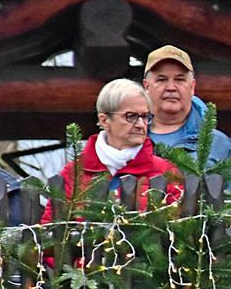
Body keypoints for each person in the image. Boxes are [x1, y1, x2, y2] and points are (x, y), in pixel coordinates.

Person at [41, 79, 183, 224]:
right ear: (104, 121)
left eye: (145, 116)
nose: (141, 125)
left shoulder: (166, 171)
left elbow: (183, 232)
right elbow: (51, 235)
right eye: (131, 116)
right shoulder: (73, 173)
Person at [143, 45, 231, 191]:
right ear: (146, 87)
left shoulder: (219, 144)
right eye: (162, 79)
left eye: (179, 79)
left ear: (192, 87)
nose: (171, 87)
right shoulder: (130, 139)